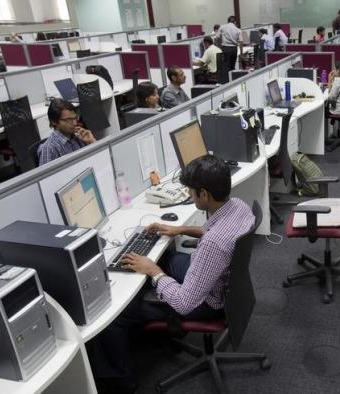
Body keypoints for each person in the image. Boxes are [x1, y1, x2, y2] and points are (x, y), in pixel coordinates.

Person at [87, 155, 255, 393]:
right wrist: (179, 230)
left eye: (191, 192)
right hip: (220, 279)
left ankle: (120, 382)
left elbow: (185, 303)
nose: (189, 195)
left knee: (115, 317)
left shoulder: (213, 244)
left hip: (206, 302)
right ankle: (160, 333)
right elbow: (213, 231)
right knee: (166, 256)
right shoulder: (237, 205)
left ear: (204, 194)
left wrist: (153, 272)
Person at [38, 99, 96, 166]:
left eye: (75, 118)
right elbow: (46, 176)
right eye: (69, 120)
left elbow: (95, 159)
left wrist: (92, 142)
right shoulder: (48, 149)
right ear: (54, 121)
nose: (75, 123)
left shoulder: (78, 137)